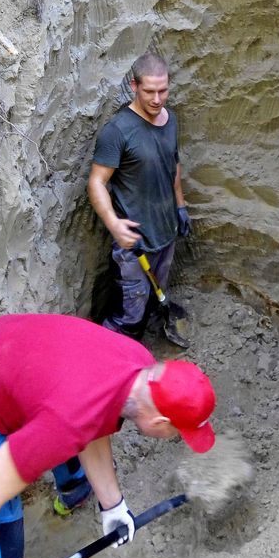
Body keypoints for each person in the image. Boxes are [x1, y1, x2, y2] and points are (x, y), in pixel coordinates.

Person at [0, 313, 216, 558]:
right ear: (159, 422)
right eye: (177, 432)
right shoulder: (67, 422)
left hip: (1, 348)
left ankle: (72, 494)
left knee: (71, 455)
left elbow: (97, 417)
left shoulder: (139, 365)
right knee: (1, 555)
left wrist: (113, 506)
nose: (176, 437)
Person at [88, 52, 192, 341]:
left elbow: (173, 164)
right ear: (134, 86)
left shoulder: (170, 120)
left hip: (166, 233)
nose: (157, 99)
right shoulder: (119, 130)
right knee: (129, 313)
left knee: (153, 292)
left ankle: (151, 319)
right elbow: (97, 182)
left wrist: (180, 207)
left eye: (163, 91)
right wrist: (113, 223)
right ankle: (113, 351)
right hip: (135, 245)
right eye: (149, 91)